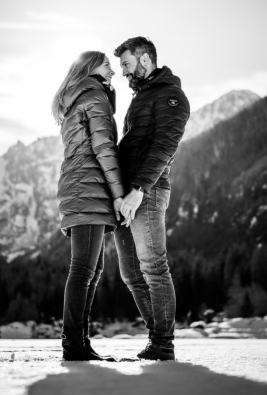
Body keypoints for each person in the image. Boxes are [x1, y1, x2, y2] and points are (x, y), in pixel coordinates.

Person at [113, 36, 190, 361]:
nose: (124, 73)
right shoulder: (142, 97)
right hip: (125, 196)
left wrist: (138, 190)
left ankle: (163, 344)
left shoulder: (171, 97)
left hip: (146, 192)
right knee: (130, 273)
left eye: (127, 65)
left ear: (145, 60)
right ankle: (156, 337)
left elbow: (164, 147)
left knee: (154, 268)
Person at [53, 51, 125, 361]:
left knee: (91, 270)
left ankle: (79, 342)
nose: (113, 70)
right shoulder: (93, 96)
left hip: (81, 187)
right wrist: (119, 193)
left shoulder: (78, 99)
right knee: (84, 270)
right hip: (89, 188)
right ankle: (74, 345)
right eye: (108, 63)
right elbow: (104, 148)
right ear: (90, 67)